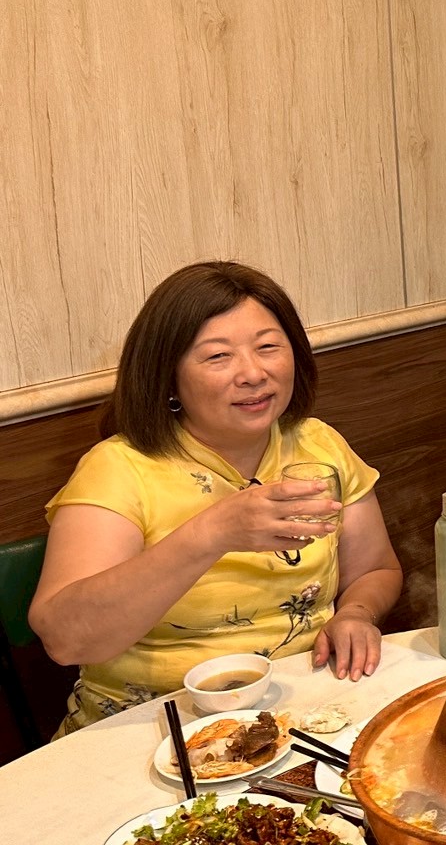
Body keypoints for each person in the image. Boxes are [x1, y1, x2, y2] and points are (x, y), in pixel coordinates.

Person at [29, 262, 402, 736]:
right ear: (168, 376)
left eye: (268, 347)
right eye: (218, 356)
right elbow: (66, 640)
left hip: (303, 711)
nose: (253, 373)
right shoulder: (119, 467)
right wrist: (213, 532)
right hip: (155, 730)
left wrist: (356, 613)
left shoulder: (318, 445)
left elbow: (375, 570)